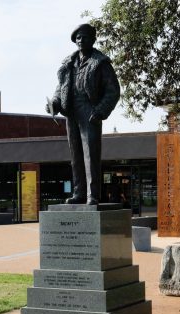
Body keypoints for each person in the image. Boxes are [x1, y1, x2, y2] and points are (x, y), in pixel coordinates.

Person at [46, 23, 120, 205]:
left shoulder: (100, 63)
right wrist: (55, 103)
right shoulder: (68, 64)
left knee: (90, 155)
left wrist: (100, 111)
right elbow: (61, 88)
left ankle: (92, 195)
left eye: (85, 37)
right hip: (71, 112)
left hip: (89, 111)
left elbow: (113, 91)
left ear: (93, 39)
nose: (81, 40)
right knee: (76, 156)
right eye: (78, 37)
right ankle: (79, 192)